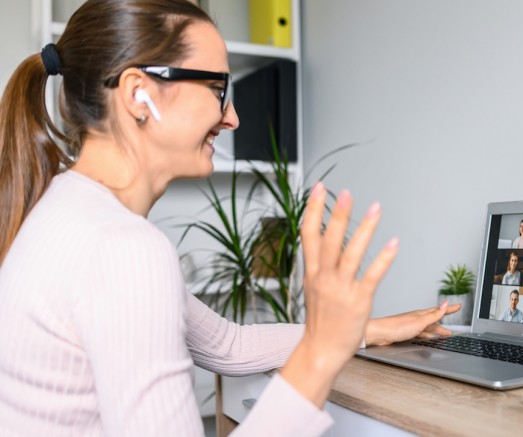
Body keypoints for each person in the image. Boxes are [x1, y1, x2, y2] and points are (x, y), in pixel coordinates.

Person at [0, 1, 460, 434]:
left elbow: (227, 345)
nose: (233, 118)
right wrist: (320, 353)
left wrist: (366, 331)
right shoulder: (119, 247)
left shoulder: (67, 210)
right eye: (218, 90)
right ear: (140, 95)